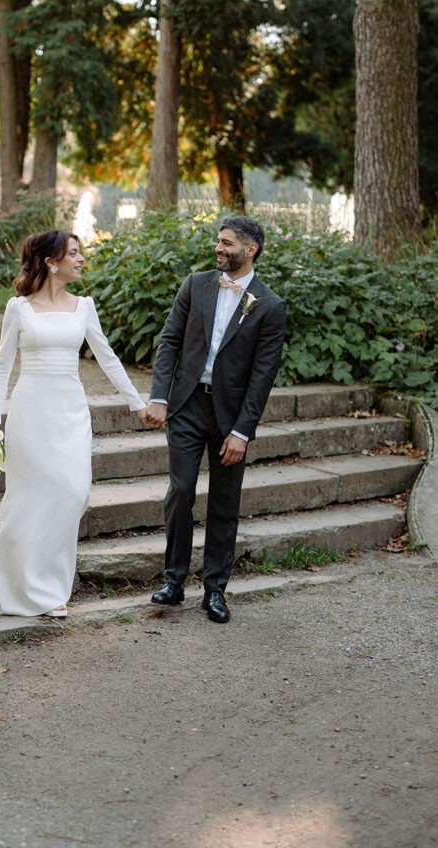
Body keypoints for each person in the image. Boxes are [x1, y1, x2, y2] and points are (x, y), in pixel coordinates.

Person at [0, 229, 148, 618]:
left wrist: (138, 404)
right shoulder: (18, 308)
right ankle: (39, 587)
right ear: (51, 262)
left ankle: (50, 577)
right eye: (74, 253)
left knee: (73, 490)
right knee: (30, 494)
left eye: (80, 252)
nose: (81, 259)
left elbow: (108, 358)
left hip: (70, 410)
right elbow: (2, 365)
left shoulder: (84, 306)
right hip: (31, 409)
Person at [145, 217, 286, 623]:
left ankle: (215, 590)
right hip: (187, 405)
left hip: (231, 417)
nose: (218, 248)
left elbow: (263, 376)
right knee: (180, 491)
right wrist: (159, 396)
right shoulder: (196, 283)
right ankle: (173, 581)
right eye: (218, 242)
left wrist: (242, 431)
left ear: (251, 249)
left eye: (226, 243)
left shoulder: (270, 306)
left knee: (225, 503)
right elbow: (170, 339)